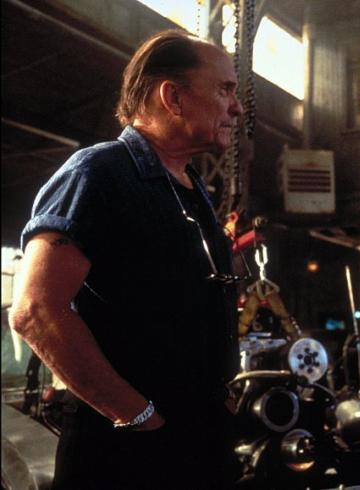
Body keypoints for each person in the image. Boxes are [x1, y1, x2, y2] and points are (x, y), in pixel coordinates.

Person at [9, 29, 244, 489]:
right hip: (127, 453)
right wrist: (137, 416)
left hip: (196, 441)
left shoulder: (191, 189)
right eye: (224, 90)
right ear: (173, 97)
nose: (236, 107)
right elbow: (36, 311)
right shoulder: (98, 173)